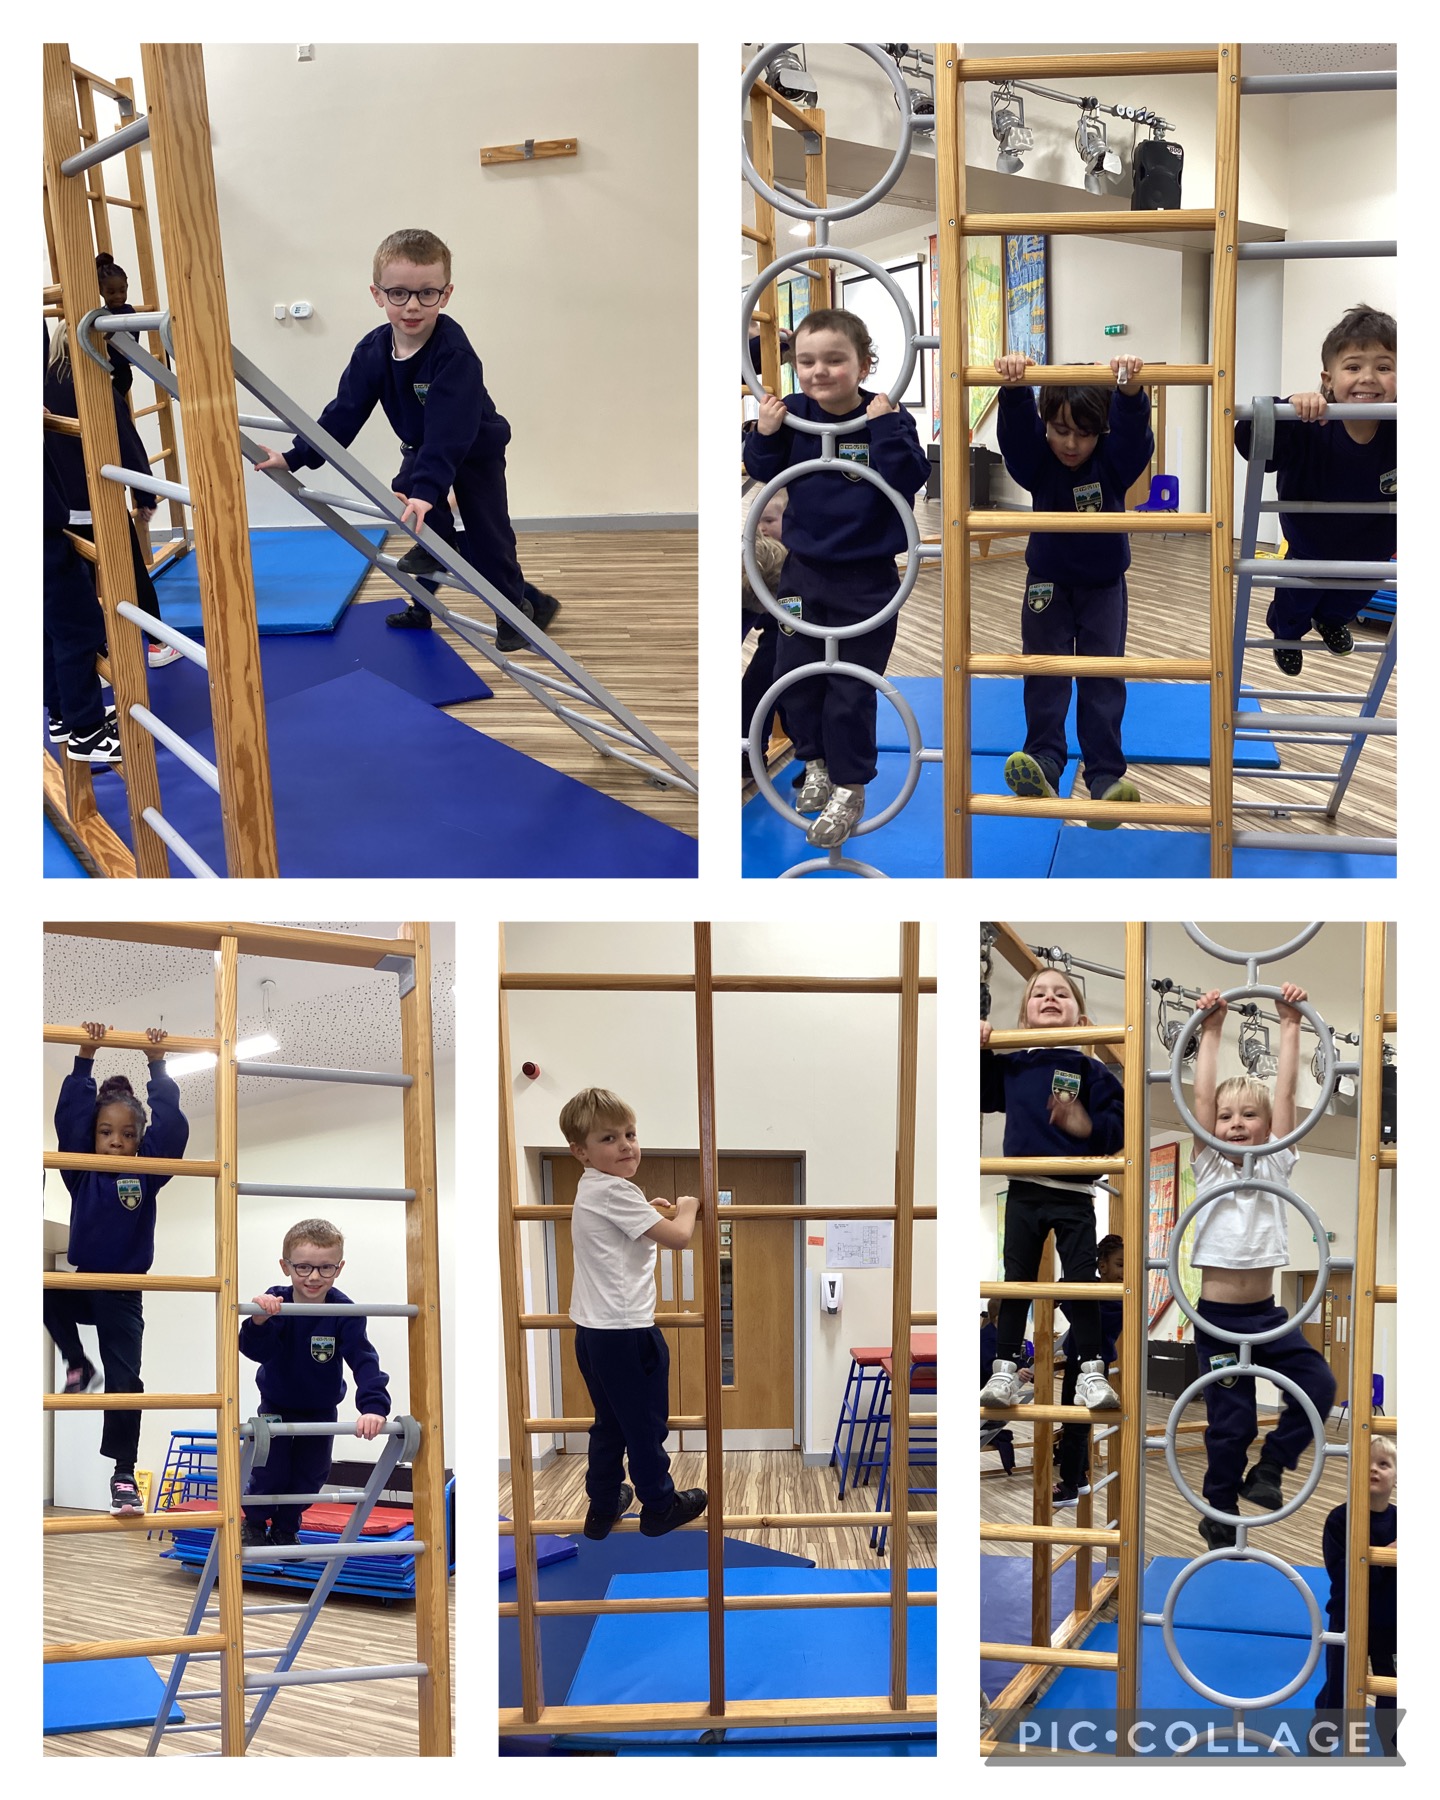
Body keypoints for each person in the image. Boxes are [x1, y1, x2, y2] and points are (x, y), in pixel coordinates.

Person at [254, 227, 560, 653]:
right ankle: (422, 605)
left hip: (475, 449)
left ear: (446, 294)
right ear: (377, 295)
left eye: (427, 293)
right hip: (423, 447)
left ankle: (514, 610)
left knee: (488, 533)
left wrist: (430, 489)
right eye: (398, 293)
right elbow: (343, 413)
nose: (412, 305)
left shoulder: (454, 355)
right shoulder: (373, 350)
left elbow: (450, 434)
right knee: (418, 519)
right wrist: (295, 456)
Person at [741, 308, 930, 848]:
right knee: (795, 676)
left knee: (850, 689)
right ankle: (814, 761)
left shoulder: (885, 416)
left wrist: (885, 425)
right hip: (802, 576)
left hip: (865, 582)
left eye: (834, 359)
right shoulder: (794, 413)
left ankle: (851, 786)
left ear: (865, 362)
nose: (819, 371)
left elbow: (910, 476)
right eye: (806, 360)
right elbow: (761, 467)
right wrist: (768, 431)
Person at [1190, 983, 1337, 1550]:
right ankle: (1219, 1510)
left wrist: (1291, 1025)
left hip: (1269, 1319)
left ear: (1266, 1128)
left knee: (1320, 1384)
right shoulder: (1209, 1170)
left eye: (1247, 1116)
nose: (1233, 1124)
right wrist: (1212, 1030)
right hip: (1219, 1322)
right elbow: (1201, 1100)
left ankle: (1271, 1468)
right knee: (1233, 1422)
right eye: (1226, 1118)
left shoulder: (1275, 1163)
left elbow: (1285, 1100)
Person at [992, 354, 1153, 824]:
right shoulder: (1039, 464)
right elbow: (1017, 439)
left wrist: (1127, 393)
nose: (1070, 443)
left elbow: (1133, 437)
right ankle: (1044, 760)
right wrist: (1018, 388)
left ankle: (1104, 777)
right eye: (1060, 429)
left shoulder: (1113, 461)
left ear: (1099, 432)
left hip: (1103, 585)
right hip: (1046, 583)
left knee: (1101, 676)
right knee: (1045, 672)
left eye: (1083, 433)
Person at [44, 1022, 186, 1514]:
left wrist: (158, 1064)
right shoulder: (80, 1172)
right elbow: (70, 1118)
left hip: (124, 1292)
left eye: (127, 1134)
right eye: (106, 1132)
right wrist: (86, 1056)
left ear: (140, 1140)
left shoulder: (146, 1174)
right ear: (93, 1136)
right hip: (86, 1283)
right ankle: (78, 1362)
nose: (116, 1141)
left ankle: (123, 1474)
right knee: (42, 1290)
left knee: (128, 1382)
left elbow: (171, 1129)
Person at [560, 1088, 708, 1539]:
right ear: (581, 1152)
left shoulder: (594, 1190)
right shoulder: (615, 1191)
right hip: (626, 1331)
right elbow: (680, 1237)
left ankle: (603, 1506)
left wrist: (648, 1211)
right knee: (645, 1424)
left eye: (630, 1134)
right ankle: (659, 1504)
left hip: (593, 1332)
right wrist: (688, 1208)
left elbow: (630, 1232)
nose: (626, 1145)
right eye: (609, 1138)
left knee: (610, 1422)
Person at [980, 969, 1123, 1413]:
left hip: (1074, 1194)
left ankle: (1091, 1372)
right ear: (1023, 1017)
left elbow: (1117, 1128)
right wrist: (981, 1046)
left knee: (1082, 1283)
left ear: (1082, 1022)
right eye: (1038, 993)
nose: (1049, 997)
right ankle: (1003, 1369)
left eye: (1062, 993)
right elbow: (980, 1092)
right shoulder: (1015, 1062)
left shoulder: (1091, 1070)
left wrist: (1088, 1127)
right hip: (1023, 1189)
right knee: (1016, 1282)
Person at [1234, 303, 1396, 675]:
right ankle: (1287, 636)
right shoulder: (1310, 422)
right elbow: (1248, 440)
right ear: (1327, 379)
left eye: (1384, 368)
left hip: (1372, 549)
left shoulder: (1401, 428)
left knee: (1354, 596)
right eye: (1353, 367)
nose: (1368, 377)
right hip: (1311, 545)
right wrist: (1287, 407)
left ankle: (1330, 620)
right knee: (1297, 597)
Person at [239, 1218, 390, 1547]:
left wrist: (373, 1408)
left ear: (339, 1268)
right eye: (303, 1267)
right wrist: (259, 1320)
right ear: (285, 1266)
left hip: (320, 1409)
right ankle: (251, 1522)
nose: (313, 1277)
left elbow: (364, 1361)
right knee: (270, 1470)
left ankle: (285, 1526)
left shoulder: (344, 1311)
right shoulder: (273, 1303)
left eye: (326, 1268)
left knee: (311, 1476)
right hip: (275, 1406)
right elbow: (254, 1351)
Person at [43, 324, 180, 671]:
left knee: (81, 585)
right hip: (97, 504)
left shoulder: (43, 388)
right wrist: (145, 496)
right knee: (132, 572)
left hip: (59, 508)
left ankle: (98, 657)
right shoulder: (96, 390)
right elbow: (129, 447)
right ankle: (158, 644)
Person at [44, 415, 118, 764]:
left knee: (50, 629)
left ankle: (62, 714)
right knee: (79, 628)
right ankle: (86, 732)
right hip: (42, 540)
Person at [1314, 1435, 1396, 1732]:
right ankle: (1323, 1740)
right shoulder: (1339, 1520)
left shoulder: (1402, 1521)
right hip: (1349, 1618)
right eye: (1367, 1463)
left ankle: (1393, 1741)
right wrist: (1386, 1556)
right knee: (1338, 1690)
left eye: (1384, 1464)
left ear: (1396, 1478)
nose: (1374, 1469)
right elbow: (1343, 1575)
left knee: (1393, 1689)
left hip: (1392, 1622)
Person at [1053, 1233, 1125, 1504]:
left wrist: (1062, 1297)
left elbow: (1083, 1314)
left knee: (1077, 1427)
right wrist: (1062, 1289)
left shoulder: (1117, 1299)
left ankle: (1069, 1485)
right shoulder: (1092, 1286)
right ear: (1102, 1266)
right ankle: (1080, 1478)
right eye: (1120, 1265)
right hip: (1076, 1363)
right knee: (1073, 1423)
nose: (1124, 1273)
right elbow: (1072, 1288)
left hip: (1094, 1370)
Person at [741, 491, 788, 776]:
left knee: (788, 689)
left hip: (798, 630)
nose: (762, 527)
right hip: (771, 626)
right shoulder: (753, 558)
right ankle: (747, 751)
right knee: (756, 686)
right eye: (757, 521)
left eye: (769, 520)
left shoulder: (803, 555)